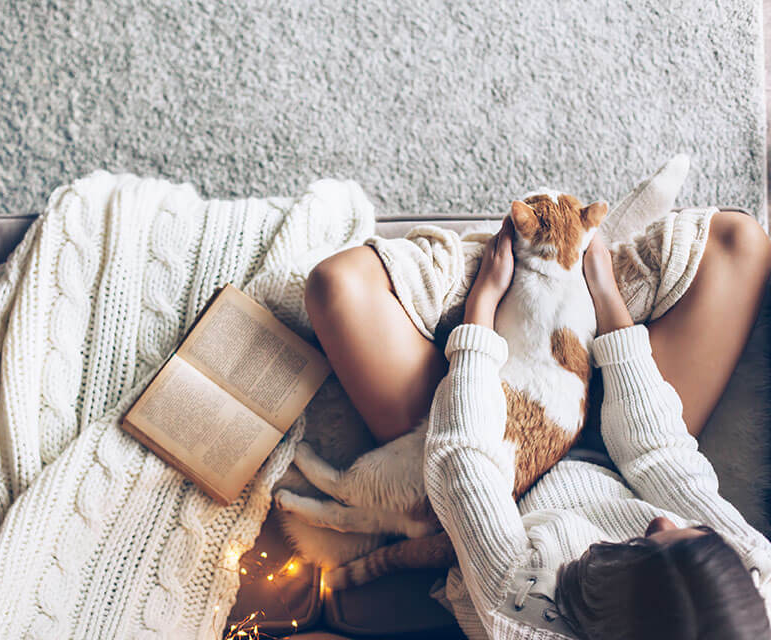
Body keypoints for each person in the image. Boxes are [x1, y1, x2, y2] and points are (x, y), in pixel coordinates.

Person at [304, 210, 771, 638]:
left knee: (336, 286)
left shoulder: (521, 604)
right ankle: (560, 280)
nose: (663, 520)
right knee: (738, 240)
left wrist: (482, 309)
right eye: (692, 532)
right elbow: (659, 456)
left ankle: (513, 280)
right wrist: (605, 295)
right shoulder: (749, 578)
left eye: (651, 538)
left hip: (499, 481)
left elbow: (461, 461)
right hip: (619, 463)